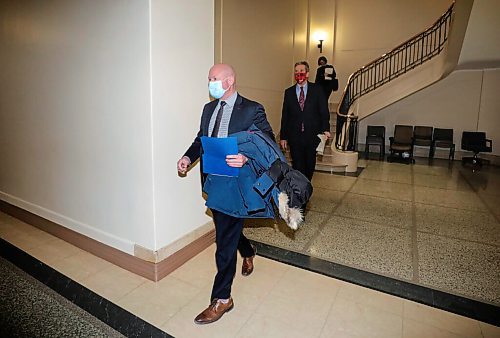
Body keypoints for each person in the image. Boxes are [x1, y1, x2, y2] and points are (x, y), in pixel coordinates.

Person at [177, 63, 274, 325]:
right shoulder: (208, 109)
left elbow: (267, 144)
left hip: (237, 184)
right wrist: (188, 156)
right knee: (227, 230)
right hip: (214, 181)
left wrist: (245, 157)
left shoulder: (252, 109)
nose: (211, 83)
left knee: (223, 244)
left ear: (230, 80)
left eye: (215, 78)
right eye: (209, 79)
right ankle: (249, 250)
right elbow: (201, 139)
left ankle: (222, 299)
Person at [280, 61, 330, 183]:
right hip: (294, 136)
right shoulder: (289, 92)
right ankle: (301, 190)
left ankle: (306, 185)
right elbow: (285, 115)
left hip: (312, 135)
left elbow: (324, 111)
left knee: (309, 164)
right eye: (296, 72)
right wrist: (283, 137)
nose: (299, 74)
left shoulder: (317, 90)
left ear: (307, 74)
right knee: (297, 165)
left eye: (301, 71)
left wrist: (326, 129)